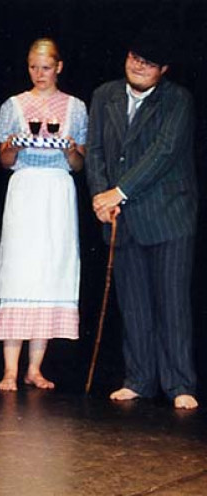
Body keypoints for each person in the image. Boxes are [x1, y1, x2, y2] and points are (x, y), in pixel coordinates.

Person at [85, 30, 198, 410]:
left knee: (172, 305)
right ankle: (139, 379)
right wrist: (101, 198)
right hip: (121, 217)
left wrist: (118, 192)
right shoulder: (105, 95)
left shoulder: (177, 100)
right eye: (135, 58)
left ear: (163, 70)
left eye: (148, 64)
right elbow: (95, 151)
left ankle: (179, 384)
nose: (138, 66)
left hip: (169, 216)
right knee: (133, 305)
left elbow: (163, 153)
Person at [0, 38, 87, 391]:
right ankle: (10, 370)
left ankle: (34, 368)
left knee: (51, 271)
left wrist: (70, 150)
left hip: (57, 190)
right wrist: (13, 147)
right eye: (34, 67)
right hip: (26, 187)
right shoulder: (13, 105)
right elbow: (4, 160)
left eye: (46, 67)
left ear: (59, 67)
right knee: (19, 271)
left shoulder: (76, 107)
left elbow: (78, 163)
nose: (39, 74)